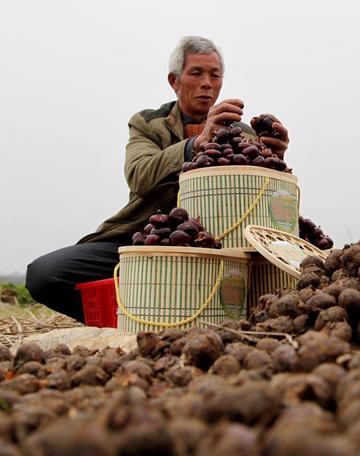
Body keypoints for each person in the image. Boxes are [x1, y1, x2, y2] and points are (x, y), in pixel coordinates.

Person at [26, 36, 290, 322]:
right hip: (146, 242)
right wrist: (196, 144)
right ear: (174, 81)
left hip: (222, 250)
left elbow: (259, 199)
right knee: (44, 275)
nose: (207, 83)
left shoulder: (243, 135)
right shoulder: (148, 123)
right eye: (196, 73)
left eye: (215, 75)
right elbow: (139, 175)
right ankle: (128, 320)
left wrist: (274, 160)